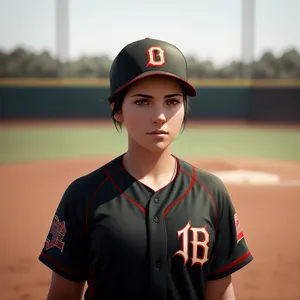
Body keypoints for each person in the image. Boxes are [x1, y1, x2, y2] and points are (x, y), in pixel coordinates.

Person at [38, 37, 253, 300]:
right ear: (117, 110)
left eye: (172, 101)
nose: (160, 115)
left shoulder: (211, 192)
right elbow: (63, 294)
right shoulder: (84, 195)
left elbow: (220, 293)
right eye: (143, 101)